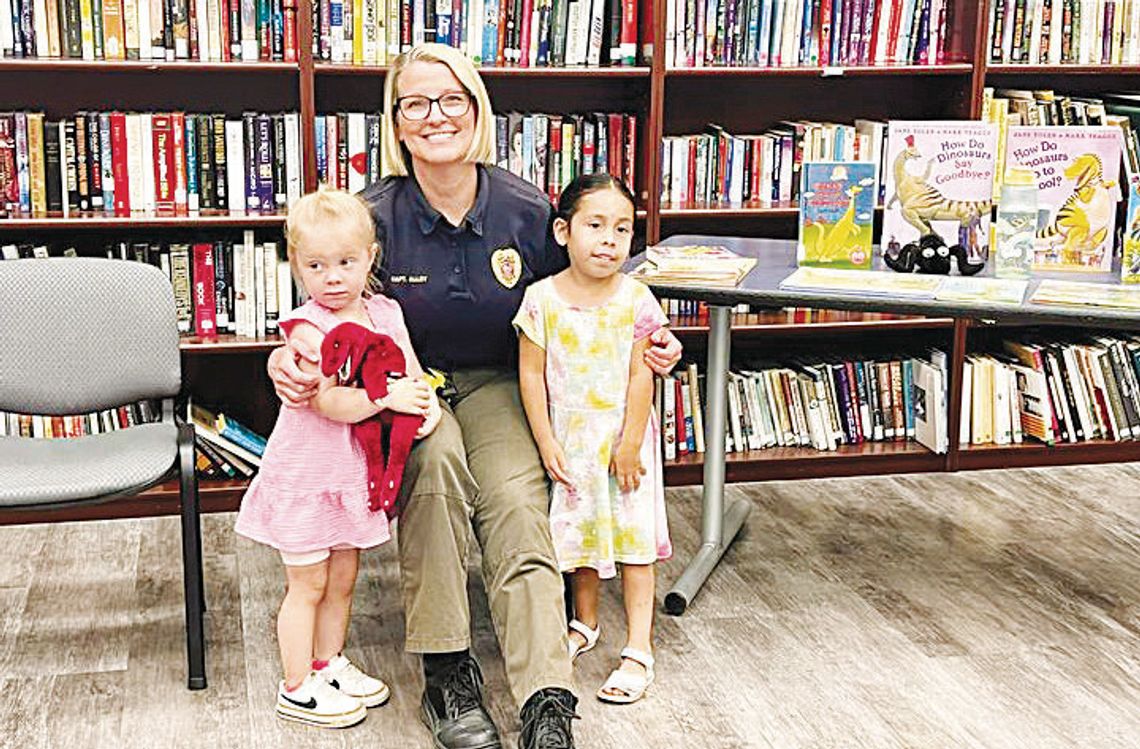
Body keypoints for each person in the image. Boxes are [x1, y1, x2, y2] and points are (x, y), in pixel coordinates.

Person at [266, 43, 681, 749]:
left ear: (478, 110)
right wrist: (285, 358)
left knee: (517, 500)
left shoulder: (524, 209)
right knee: (434, 475)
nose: (437, 116)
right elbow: (323, 307)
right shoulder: (372, 217)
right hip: (407, 390)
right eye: (417, 103)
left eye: (453, 99)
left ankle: (548, 694)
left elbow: (588, 292)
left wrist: (652, 341)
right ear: (395, 123)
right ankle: (447, 671)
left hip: (499, 382)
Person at [236, 187, 441, 729]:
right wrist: (385, 399)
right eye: (316, 265)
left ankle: (328, 663)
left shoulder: (385, 311)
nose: (332, 277)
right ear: (296, 264)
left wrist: (425, 403)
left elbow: (412, 372)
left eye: (345, 262)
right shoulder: (308, 329)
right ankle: (296, 685)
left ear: (370, 257)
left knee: (344, 577)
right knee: (307, 584)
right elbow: (328, 402)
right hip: (308, 474)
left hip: (353, 475)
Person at [514, 174, 671, 705]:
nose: (609, 240)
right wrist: (545, 441)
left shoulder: (637, 299)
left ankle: (640, 647)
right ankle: (585, 622)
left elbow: (640, 375)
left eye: (622, 229)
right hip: (571, 441)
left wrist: (629, 443)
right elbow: (530, 376)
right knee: (579, 538)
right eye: (595, 225)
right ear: (563, 231)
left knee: (634, 542)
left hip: (625, 443)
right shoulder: (540, 300)